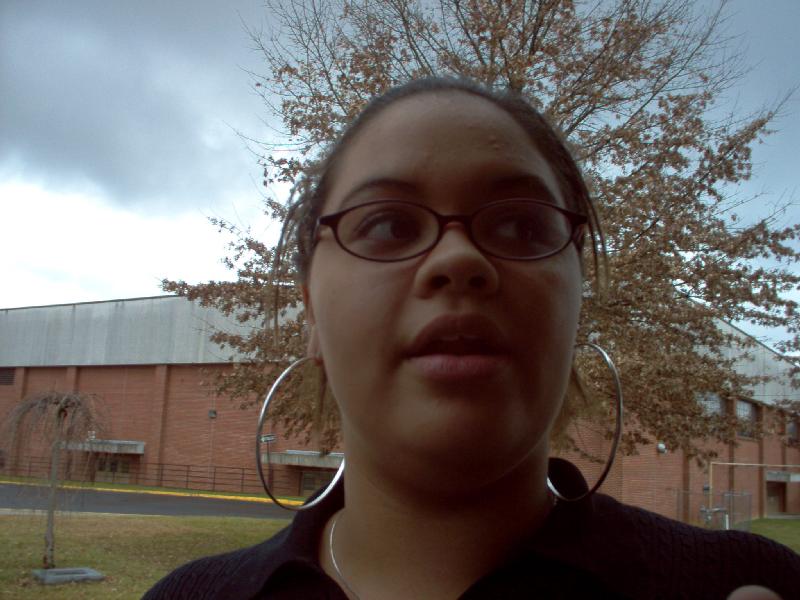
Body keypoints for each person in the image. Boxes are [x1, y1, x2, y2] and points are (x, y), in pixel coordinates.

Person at [144, 77, 799, 599]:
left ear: (578, 299)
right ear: (312, 313)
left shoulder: (750, 583)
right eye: (389, 226)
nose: (458, 260)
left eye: (521, 226)